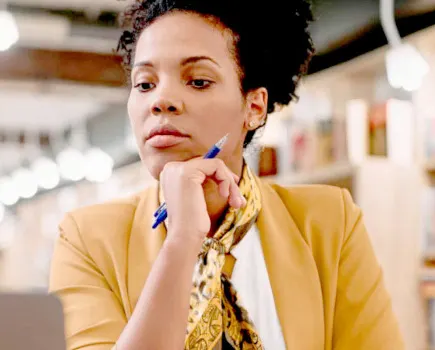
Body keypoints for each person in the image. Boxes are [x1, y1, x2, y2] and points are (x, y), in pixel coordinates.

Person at [49, 0, 404, 349]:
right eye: (145, 84)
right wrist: (183, 241)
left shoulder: (329, 223)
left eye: (198, 81)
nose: (161, 100)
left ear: (253, 107)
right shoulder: (87, 239)